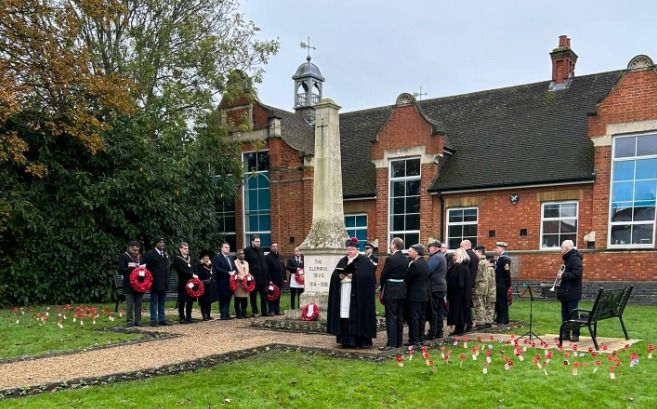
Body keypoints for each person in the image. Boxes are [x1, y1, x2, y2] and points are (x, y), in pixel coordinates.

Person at [327, 238, 377, 349]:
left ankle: (360, 341)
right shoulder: (343, 260)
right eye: (348, 249)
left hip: (358, 294)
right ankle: (346, 340)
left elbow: (368, 277)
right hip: (345, 291)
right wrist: (339, 276)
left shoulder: (364, 260)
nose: (349, 251)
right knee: (345, 314)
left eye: (352, 249)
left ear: (357, 249)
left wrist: (354, 276)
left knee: (357, 315)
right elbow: (334, 275)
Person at [378, 237, 408, 350]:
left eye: (391, 244)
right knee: (399, 317)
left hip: (391, 290)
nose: (390, 246)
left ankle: (391, 343)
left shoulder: (391, 259)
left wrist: (382, 287)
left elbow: (383, 276)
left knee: (391, 317)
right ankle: (399, 342)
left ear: (394, 245)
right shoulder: (406, 259)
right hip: (402, 290)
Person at [557, 239, 583, 342]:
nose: (560, 249)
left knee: (573, 313)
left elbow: (577, 274)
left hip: (572, 292)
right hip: (565, 291)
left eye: (562, 247)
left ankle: (575, 334)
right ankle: (566, 333)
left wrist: (563, 275)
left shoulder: (575, 259)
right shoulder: (567, 259)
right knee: (565, 313)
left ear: (567, 248)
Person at [405, 244, 429, 347]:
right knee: (421, 317)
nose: (408, 253)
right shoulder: (425, 263)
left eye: (410, 251)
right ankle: (421, 337)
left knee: (414, 317)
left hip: (415, 295)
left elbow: (408, 279)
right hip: (424, 294)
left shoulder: (415, 264)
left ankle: (414, 339)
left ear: (416, 252)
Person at [144, 237, 171, 326]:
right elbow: (144, 267)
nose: (162, 244)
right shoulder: (150, 254)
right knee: (154, 302)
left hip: (164, 281)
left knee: (162, 302)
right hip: (155, 281)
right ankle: (154, 320)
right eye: (160, 242)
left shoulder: (165, 254)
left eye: (163, 242)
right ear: (156, 244)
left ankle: (162, 319)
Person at [446, 247, 472, 336]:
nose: (453, 257)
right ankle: (459, 328)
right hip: (462, 293)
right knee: (460, 311)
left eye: (454, 255)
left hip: (457, 293)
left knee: (458, 311)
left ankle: (459, 329)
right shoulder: (464, 266)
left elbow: (454, 280)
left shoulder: (458, 267)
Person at [118, 240, 144, 327]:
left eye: (138, 250)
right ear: (130, 248)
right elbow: (121, 269)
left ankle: (138, 320)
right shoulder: (124, 256)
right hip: (128, 284)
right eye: (135, 250)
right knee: (130, 303)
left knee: (139, 303)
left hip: (139, 284)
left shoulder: (139, 257)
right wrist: (133, 268)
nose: (136, 252)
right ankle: (129, 320)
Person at [425, 240, 447, 339]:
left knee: (433, 311)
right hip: (441, 286)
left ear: (435, 247)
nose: (428, 249)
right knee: (439, 310)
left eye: (430, 247)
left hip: (435, 287)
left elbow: (427, 270)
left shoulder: (435, 257)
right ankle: (439, 331)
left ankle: (432, 332)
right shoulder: (441, 256)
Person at [244, 235, 267, 317]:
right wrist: (249, 273)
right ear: (252, 242)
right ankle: (255, 311)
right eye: (257, 241)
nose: (258, 243)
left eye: (259, 241)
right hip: (253, 277)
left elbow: (263, 263)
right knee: (253, 296)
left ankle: (264, 311)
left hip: (263, 277)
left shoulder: (261, 250)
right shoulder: (247, 250)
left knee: (264, 296)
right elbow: (245, 263)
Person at [473, 246, 496, 329]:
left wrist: (472, 282)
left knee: (479, 305)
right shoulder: (486, 262)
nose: (474, 254)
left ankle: (480, 322)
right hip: (485, 287)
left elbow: (478, 276)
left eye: (475, 252)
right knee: (483, 304)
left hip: (480, 287)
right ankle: (486, 321)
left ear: (479, 252)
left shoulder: (480, 262)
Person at [173, 242, 196, 324]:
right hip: (183, 282)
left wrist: (194, 275)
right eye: (185, 249)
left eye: (187, 248)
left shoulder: (190, 258)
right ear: (180, 249)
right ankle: (182, 317)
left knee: (190, 300)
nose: (187, 250)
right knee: (182, 300)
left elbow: (193, 268)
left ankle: (189, 317)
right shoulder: (178, 259)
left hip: (191, 282)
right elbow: (181, 270)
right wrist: (191, 274)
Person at [212, 242, 236, 320]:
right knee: (223, 298)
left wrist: (234, 272)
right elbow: (217, 268)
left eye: (228, 247)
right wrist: (228, 272)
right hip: (222, 281)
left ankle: (227, 313)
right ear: (221, 248)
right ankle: (223, 314)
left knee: (228, 297)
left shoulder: (231, 257)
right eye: (225, 247)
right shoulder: (217, 257)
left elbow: (233, 267)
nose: (227, 249)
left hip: (230, 282)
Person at [460, 240, 478, 332]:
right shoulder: (474, 255)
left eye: (461, 246)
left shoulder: (467, 255)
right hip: (471, 283)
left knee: (466, 305)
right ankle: (469, 323)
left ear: (466, 246)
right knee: (468, 304)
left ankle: (468, 324)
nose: (460, 248)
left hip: (466, 284)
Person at [195, 250, 218, 320]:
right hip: (203, 286)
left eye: (208, 257)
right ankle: (204, 315)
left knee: (209, 301)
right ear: (202, 258)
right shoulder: (199, 266)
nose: (207, 258)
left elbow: (214, 274)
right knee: (203, 302)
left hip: (210, 286)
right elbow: (197, 277)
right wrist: (204, 281)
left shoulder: (211, 266)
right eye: (205, 257)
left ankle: (208, 315)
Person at [265, 242, 286, 316]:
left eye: (276, 246)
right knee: (271, 296)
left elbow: (283, 268)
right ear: (270, 247)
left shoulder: (280, 256)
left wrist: (285, 278)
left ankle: (277, 310)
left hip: (279, 280)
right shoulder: (268, 257)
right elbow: (267, 270)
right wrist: (269, 280)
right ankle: (271, 310)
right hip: (272, 281)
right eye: (273, 246)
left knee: (278, 295)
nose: (275, 247)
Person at [494, 241, 512, 325]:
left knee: (502, 301)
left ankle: (503, 319)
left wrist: (508, 284)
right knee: (498, 301)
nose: (496, 249)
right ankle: (499, 317)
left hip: (502, 283)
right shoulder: (501, 258)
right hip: (498, 283)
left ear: (502, 248)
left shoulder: (505, 259)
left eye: (497, 248)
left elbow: (506, 272)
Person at [233, 249, 251, 319]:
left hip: (246, 284)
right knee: (238, 299)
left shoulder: (246, 263)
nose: (242, 255)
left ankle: (244, 313)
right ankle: (238, 313)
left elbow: (247, 272)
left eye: (243, 253)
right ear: (237, 255)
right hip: (238, 283)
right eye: (240, 254)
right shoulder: (234, 262)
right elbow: (234, 273)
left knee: (245, 300)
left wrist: (250, 276)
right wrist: (241, 278)